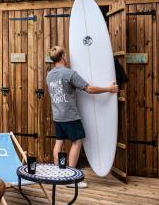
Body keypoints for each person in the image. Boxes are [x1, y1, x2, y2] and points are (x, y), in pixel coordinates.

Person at [46, 46, 118, 188]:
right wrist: (109, 89)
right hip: (70, 116)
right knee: (77, 142)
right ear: (63, 57)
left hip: (58, 116)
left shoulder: (49, 75)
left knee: (58, 143)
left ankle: (58, 175)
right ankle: (71, 180)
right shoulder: (69, 74)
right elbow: (89, 89)